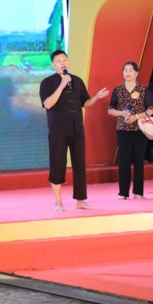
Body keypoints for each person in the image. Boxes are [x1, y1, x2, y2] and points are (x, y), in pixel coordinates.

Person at [39, 50, 110, 211]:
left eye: (65, 60)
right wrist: (62, 84)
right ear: (53, 64)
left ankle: (80, 200)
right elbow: (48, 104)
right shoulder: (47, 83)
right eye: (59, 61)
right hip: (58, 131)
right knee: (58, 164)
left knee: (79, 165)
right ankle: (58, 201)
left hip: (77, 129)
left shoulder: (77, 81)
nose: (63, 63)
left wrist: (97, 97)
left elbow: (86, 103)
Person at [107, 61, 153, 200]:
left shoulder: (143, 89)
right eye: (125, 70)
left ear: (136, 73)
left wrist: (136, 117)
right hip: (123, 129)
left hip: (140, 128)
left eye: (130, 70)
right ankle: (123, 192)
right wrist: (121, 113)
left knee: (139, 160)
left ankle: (138, 192)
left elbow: (151, 109)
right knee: (124, 160)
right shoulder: (118, 89)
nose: (127, 73)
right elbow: (110, 110)